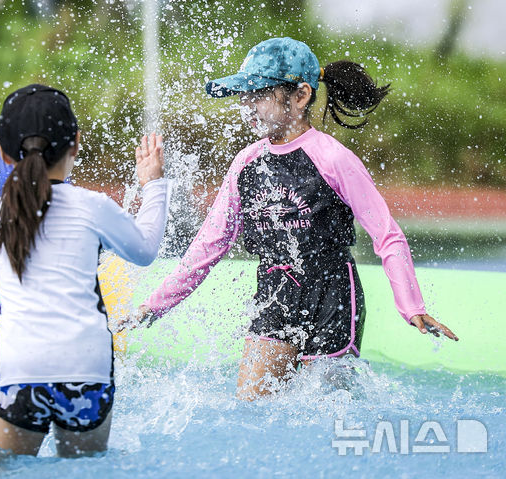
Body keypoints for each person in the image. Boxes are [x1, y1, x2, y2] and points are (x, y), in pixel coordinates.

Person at [119, 37, 458, 400]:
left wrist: (411, 307)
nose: (248, 106)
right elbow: (209, 244)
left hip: (332, 298)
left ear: (300, 96)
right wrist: (153, 307)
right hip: (274, 295)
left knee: (324, 412)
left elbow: (387, 235)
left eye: (259, 95)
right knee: (251, 403)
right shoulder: (245, 164)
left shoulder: (333, 158)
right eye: (244, 96)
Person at [0, 84, 168, 456]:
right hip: (87, 370)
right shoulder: (91, 206)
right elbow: (144, 251)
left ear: (2, 153)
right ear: (76, 143)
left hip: (20, 368)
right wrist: (154, 184)